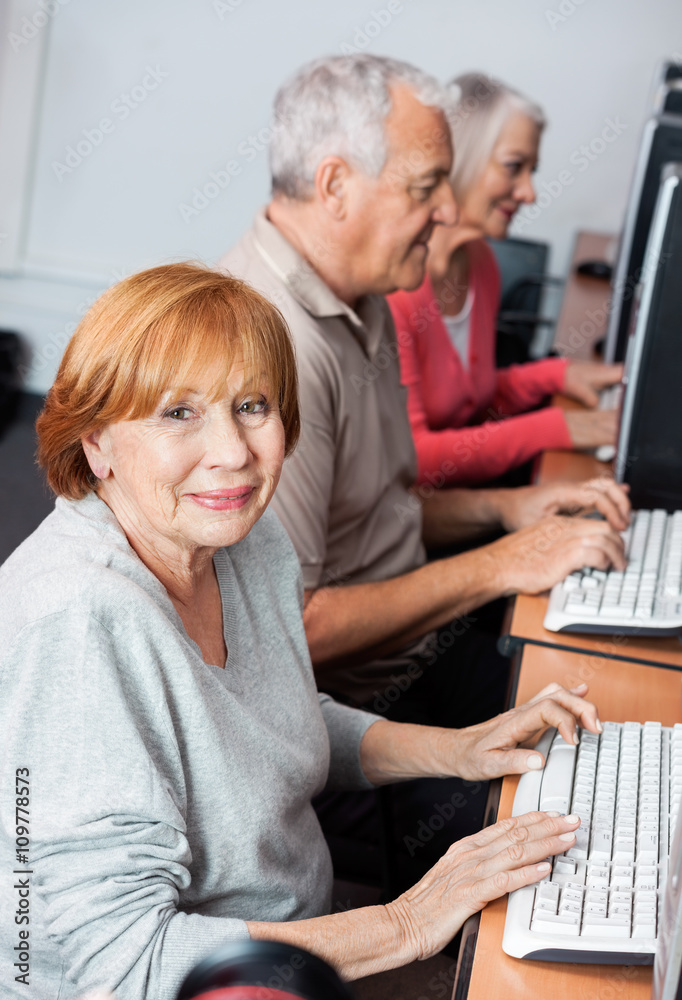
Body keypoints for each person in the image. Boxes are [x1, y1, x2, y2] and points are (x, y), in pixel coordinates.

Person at [0, 261, 592, 999]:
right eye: (178, 413)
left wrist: (460, 749)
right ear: (96, 444)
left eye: (253, 405)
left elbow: (270, 718)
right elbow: (129, 966)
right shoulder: (77, 626)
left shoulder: (241, 539)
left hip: (303, 942)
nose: (234, 453)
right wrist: (407, 922)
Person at [219, 54, 629, 717]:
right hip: (362, 710)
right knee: (610, 716)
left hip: (420, 643)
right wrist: (501, 562)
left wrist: (507, 510)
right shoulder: (274, 348)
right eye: (426, 186)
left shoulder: (368, 289)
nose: (448, 208)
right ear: (335, 186)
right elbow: (297, 628)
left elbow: (384, 510)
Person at [388, 72, 623, 488]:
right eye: (514, 167)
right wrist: (559, 428)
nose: (530, 193)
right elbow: (415, 458)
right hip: (420, 514)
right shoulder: (394, 289)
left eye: (531, 171)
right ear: (460, 155)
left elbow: (467, 399)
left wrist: (556, 375)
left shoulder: (480, 262)